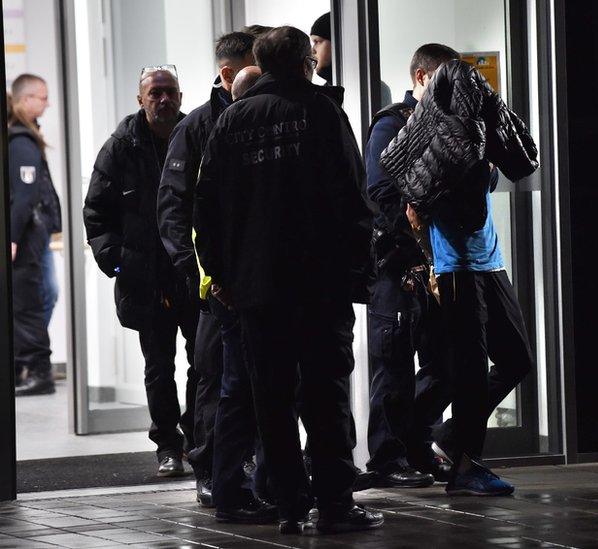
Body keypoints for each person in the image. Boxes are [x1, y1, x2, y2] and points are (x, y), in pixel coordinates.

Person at [195, 26, 382, 534]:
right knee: (325, 399)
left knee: (270, 400)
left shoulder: (232, 119)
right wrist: (358, 274)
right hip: (318, 286)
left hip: (256, 291)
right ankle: (336, 506)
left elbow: (205, 208)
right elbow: (351, 199)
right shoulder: (322, 112)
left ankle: (290, 506)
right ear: (306, 63)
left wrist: (222, 277)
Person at [381, 54, 539, 496]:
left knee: (516, 359)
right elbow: (413, 200)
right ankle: (465, 465)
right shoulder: (421, 135)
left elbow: (520, 159)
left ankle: (444, 438)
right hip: (455, 266)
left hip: (488, 259)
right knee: (467, 369)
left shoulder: (472, 127)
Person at [156, 31, 266, 513]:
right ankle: (209, 470)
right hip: (214, 287)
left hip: (255, 281)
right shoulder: (200, 126)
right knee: (213, 379)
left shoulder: (261, 116)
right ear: (230, 71)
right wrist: (196, 273)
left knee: (250, 381)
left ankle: (249, 472)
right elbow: (175, 208)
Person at [83, 66, 197, 477]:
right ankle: (167, 444)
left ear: (181, 95)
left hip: (194, 273)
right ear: (140, 99)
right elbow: (96, 212)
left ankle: (199, 439)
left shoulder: (196, 134)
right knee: (158, 365)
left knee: (204, 361)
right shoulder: (120, 147)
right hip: (146, 277)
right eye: (155, 93)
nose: (163, 100)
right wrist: (118, 262)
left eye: (170, 92)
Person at [362, 44, 464, 488]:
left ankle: (414, 442)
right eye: (443, 82)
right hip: (398, 265)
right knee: (394, 365)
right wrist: (416, 240)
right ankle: (387, 457)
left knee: (446, 364)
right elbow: (382, 194)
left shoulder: (453, 126)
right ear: (421, 78)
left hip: (439, 263)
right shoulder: (391, 124)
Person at [9, 74, 61, 397]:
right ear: (25, 100)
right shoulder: (21, 141)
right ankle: (35, 368)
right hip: (29, 236)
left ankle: (27, 364)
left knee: (41, 296)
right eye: (41, 97)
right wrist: (14, 237)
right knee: (32, 300)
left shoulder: (24, 138)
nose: (47, 103)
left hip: (33, 235)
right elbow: (25, 195)